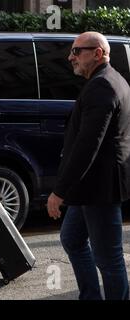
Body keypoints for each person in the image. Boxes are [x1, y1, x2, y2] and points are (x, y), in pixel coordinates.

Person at [47, 31, 130, 300]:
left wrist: (59, 192)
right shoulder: (107, 80)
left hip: (99, 188)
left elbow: (87, 145)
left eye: (77, 51)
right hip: (88, 187)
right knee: (72, 239)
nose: (71, 57)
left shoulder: (103, 85)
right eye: (72, 51)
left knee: (109, 258)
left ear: (97, 53)